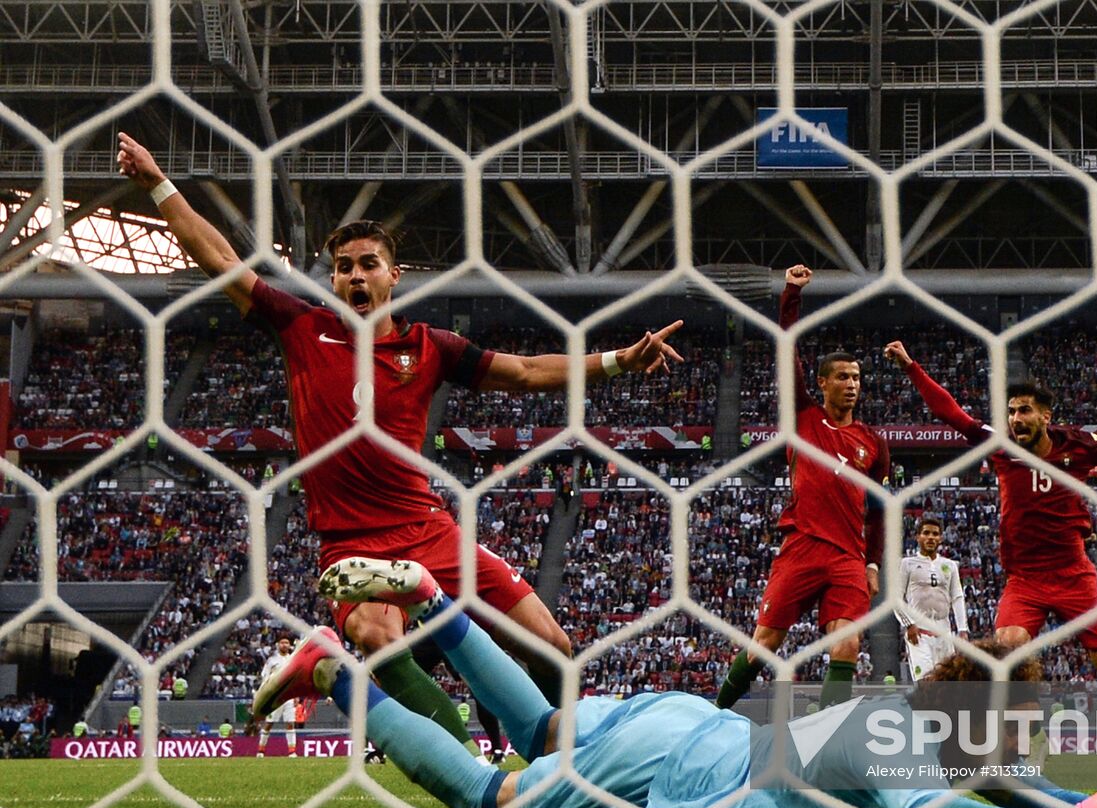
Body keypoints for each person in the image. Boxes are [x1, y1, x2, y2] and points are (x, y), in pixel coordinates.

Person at [117, 132, 682, 746]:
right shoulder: (303, 328)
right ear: (334, 279)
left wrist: (618, 361)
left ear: (393, 276)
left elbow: (524, 371)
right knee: (378, 639)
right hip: (352, 543)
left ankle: (562, 754)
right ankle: (466, 756)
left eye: (367, 264)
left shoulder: (428, 347)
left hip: (428, 530)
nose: (355, 275)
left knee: (552, 645)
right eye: (344, 266)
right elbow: (221, 260)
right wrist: (159, 186)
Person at [253, 556, 1097, 808]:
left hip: (683, 719)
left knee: (542, 725)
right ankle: (333, 672)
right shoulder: (883, 751)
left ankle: (438, 602)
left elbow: (1000, 775)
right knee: (483, 797)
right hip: (666, 761)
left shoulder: (900, 719)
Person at [883, 341, 1097, 778]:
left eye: (1024, 411)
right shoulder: (1002, 447)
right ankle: (1034, 738)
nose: (1015, 420)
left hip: (1074, 575)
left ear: (1045, 417)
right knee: (1007, 654)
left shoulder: (1080, 446)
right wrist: (912, 367)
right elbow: (953, 414)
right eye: (1011, 411)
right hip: (1024, 579)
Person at [717, 265, 890, 711]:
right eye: (842, 378)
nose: (851, 385)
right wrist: (791, 295)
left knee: (847, 645)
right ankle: (714, 713)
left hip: (849, 557)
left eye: (856, 378)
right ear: (822, 383)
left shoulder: (873, 443)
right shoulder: (804, 418)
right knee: (764, 644)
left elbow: (880, 510)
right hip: (802, 546)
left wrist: (872, 563)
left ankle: (830, 738)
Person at [896, 517, 970, 681]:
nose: (931, 537)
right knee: (926, 681)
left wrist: (962, 630)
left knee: (946, 683)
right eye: (926, 533)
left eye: (935, 534)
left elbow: (957, 597)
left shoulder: (950, 565)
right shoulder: (907, 564)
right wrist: (909, 624)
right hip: (919, 632)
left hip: (944, 632)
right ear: (918, 537)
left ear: (941, 538)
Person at [258, 636, 299, 758]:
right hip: (275, 696)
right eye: (282, 642)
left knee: (290, 723)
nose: (285, 645)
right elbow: (265, 677)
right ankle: (261, 750)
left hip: (289, 696)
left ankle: (292, 751)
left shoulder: (294, 659)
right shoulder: (272, 660)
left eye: (287, 642)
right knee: (269, 723)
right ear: (278, 644)